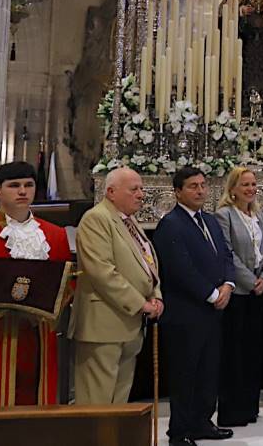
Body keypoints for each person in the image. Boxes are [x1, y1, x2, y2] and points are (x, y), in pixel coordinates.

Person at [0, 161, 71, 407]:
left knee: (36, 403)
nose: (22, 191)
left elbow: (67, 280)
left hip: (39, 334)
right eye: (14, 186)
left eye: (28, 185)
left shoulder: (55, 235)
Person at [153, 167, 234, 446]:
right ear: (177, 191)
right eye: (192, 186)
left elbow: (225, 254)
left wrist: (228, 285)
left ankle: (202, 422)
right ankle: (180, 431)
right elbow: (179, 268)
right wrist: (211, 294)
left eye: (203, 185)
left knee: (208, 370)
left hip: (213, 310)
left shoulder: (209, 221)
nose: (200, 191)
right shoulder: (171, 224)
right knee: (185, 373)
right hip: (186, 312)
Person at [72, 167, 161, 406]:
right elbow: (102, 271)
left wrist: (156, 295)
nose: (141, 194)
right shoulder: (96, 218)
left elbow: (147, 263)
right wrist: (140, 303)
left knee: (119, 399)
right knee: (96, 401)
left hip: (128, 324)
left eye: (141, 188)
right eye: (134, 189)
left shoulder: (128, 221)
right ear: (111, 192)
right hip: (103, 323)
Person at [213, 167, 263, 426]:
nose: (250, 189)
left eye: (253, 184)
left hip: (257, 293)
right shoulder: (224, 215)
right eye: (244, 184)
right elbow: (227, 253)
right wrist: (249, 281)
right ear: (233, 189)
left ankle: (250, 407)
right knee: (234, 354)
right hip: (237, 292)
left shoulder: (257, 214)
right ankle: (232, 411)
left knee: (252, 352)